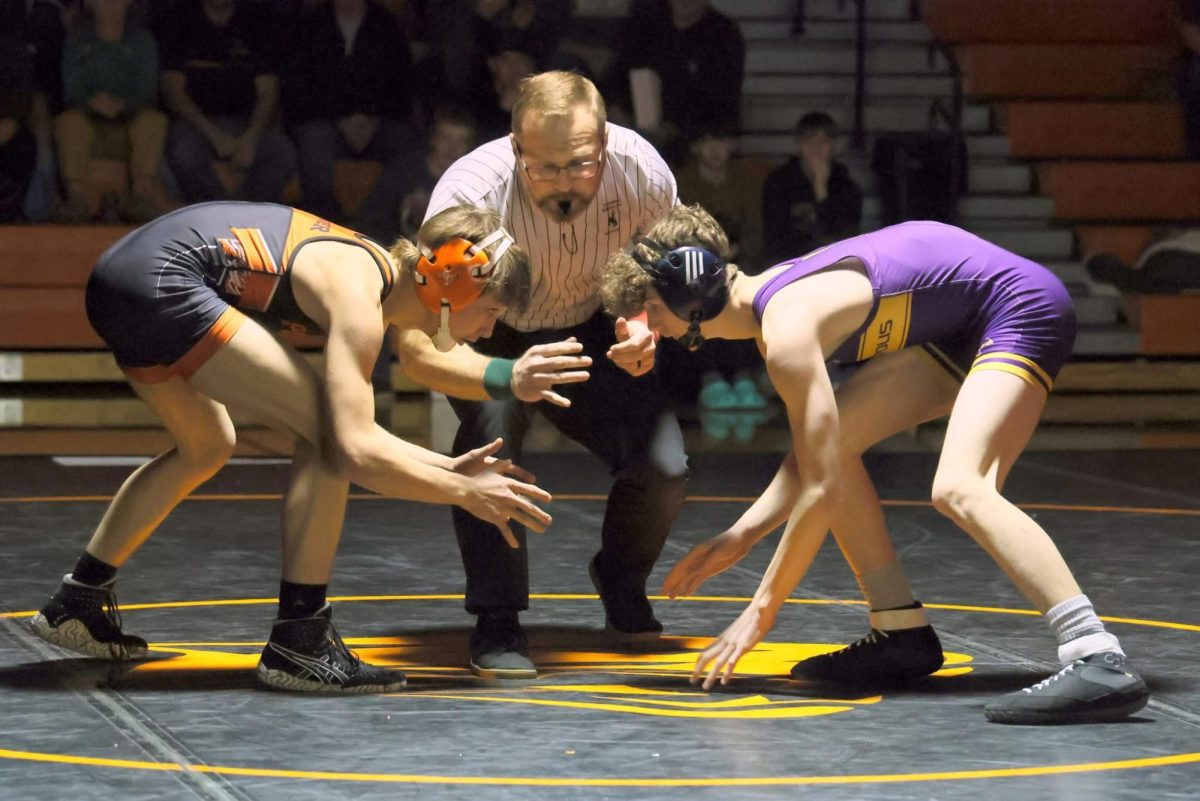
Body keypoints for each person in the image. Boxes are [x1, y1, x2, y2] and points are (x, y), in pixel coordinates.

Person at [599, 204, 1151, 725]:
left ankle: (1096, 654)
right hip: (960, 325)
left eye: (650, 308)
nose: (648, 326)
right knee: (835, 447)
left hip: (1016, 304)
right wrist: (741, 536)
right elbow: (818, 464)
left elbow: (820, 489)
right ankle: (899, 630)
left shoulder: (787, 330)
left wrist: (761, 612)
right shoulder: (776, 307)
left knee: (960, 487)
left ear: (691, 290)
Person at [29, 200, 565, 694]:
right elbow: (352, 448)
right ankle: (299, 639)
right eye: (491, 311)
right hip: (161, 278)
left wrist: (449, 469)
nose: (487, 329)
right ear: (455, 282)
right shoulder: (359, 294)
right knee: (325, 434)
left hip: (128, 278)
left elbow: (364, 440)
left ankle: (79, 600)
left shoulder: (372, 292)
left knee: (207, 444)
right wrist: (461, 490)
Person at [394, 70, 686, 680]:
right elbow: (424, 342)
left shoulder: (645, 174)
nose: (562, 184)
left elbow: (666, 282)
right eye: (543, 167)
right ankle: (497, 617)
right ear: (515, 147)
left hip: (594, 325)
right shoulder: (469, 195)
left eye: (579, 165)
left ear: (605, 142)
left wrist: (642, 325)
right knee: (490, 437)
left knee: (664, 464)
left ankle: (621, 577)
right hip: (492, 330)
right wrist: (504, 372)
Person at [280, 0, 418, 225]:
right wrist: (340, 119)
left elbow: (402, 86)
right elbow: (297, 90)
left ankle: (387, 223)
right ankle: (323, 224)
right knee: (314, 139)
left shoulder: (386, 25)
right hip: (326, 122)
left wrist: (371, 120)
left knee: (406, 142)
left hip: (379, 124)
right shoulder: (310, 27)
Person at [158, 0, 297, 203]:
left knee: (283, 153)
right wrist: (214, 136)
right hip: (196, 124)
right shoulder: (180, 21)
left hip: (246, 122)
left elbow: (268, 91)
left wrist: (251, 137)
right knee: (183, 153)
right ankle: (212, 212)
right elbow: (173, 92)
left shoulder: (258, 22)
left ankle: (246, 211)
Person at [55, 0, 170, 223]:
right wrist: (92, 103)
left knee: (154, 121)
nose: (110, 6)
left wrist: (122, 105)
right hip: (90, 126)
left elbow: (147, 90)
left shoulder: (142, 41)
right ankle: (78, 199)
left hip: (129, 127)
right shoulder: (77, 40)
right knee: (69, 122)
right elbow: (71, 88)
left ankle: (141, 197)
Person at [761, 111, 862, 265]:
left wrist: (821, 190)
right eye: (809, 141)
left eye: (823, 141)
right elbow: (774, 236)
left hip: (834, 265)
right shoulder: (779, 183)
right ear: (799, 145)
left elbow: (845, 233)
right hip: (790, 265)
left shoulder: (846, 185)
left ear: (833, 145)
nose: (816, 148)